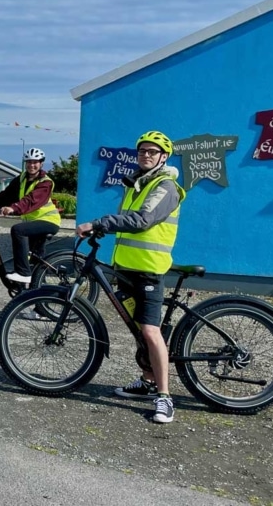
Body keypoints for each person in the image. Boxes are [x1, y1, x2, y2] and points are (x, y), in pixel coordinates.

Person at [75, 130, 185, 424]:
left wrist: (99, 222)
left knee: (150, 331)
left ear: (163, 157)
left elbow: (142, 220)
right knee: (138, 328)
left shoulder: (166, 186)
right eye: (142, 152)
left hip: (149, 268)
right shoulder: (137, 184)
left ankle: (165, 397)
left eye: (152, 152)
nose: (146, 156)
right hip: (128, 266)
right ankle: (148, 380)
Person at [0, 147, 61, 296]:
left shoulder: (46, 183)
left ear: (41, 164)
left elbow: (31, 201)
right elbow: (6, 195)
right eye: (29, 162)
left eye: (35, 162)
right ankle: (39, 306)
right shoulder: (22, 178)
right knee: (35, 263)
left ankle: (23, 272)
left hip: (48, 221)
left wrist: (14, 208)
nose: (31, 165)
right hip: (32, 224)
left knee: (18, 230)